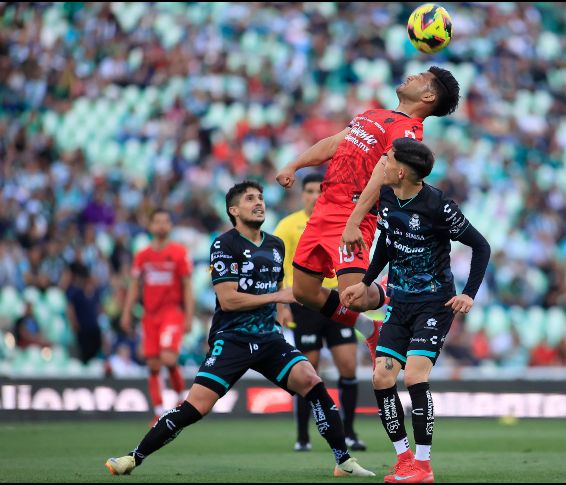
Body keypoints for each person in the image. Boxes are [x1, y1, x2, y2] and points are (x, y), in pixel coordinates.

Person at [105, 181, 374, 478]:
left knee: (312, 381)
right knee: (196, 408)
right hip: (232, 339)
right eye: (250, 199)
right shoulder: (224, 244)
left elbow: (281, 286)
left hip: (269, 338)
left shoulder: (275, 245)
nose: (259, 202)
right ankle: (133, 457)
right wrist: (277, 298)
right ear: (234, 210)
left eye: (260, 197)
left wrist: (282, 305)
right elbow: (228, 300)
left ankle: (343, 461)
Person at [275, 67, 460, 365]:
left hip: (353, 212)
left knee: (355, 297)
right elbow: (336, 143)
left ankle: (391, 288)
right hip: (325, 206)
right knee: (304, 291)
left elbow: (385, 173)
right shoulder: (373, 114)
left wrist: (353, 222)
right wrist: (293, 165)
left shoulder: (409, 130)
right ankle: (369, 329)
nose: (412, 75)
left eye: (422, 78)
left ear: (428, 96)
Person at [342, 138, 490, 483]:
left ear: (402, 171)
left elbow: (481, 245)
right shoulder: (387, 196)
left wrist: (468, 294)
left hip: (434, 304)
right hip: (399, 301)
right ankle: (405, 458)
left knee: (413, 376)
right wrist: (365, 282)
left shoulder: (438, 205)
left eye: (387, 160)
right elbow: (387, 243)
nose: (382, 164)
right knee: (381, 377)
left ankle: (424, 466)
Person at [274, 173, 366, 452]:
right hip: (304, 305)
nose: (315, 196)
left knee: (348, 365)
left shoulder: (342, 222)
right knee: (308, 370)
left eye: (319, 191)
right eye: (310, 191)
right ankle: (303, 436)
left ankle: (349, 432)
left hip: (337, 300)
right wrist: (281, 305)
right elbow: (277, 266)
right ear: (302, 194)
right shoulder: (288, 225)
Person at [121, 209, 194, 419]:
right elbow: (134, 286)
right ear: (151, 226)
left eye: (165, 221)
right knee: (153, 364)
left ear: (170, 226)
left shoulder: (179, 253)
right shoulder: (142, 255)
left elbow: (187, 286)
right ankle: (159, 412)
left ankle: (182, 401)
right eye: (157, 222)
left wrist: (188, 316)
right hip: (150, 315)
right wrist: (126, 313)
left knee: (169, 358)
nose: (161, 225)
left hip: (171, 313)